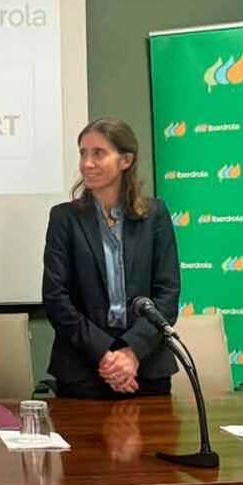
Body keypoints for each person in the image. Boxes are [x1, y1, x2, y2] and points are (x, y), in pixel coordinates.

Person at [43, 117, 180, 398]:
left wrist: (132, 352)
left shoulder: (155, 215)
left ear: (125, 160)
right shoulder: (64, 217)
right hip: (83, 369)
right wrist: (106, 355)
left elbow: (167, 294)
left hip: (146, 368)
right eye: (83, 153)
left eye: (98, 153)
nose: (87, 163)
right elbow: (56, 298)